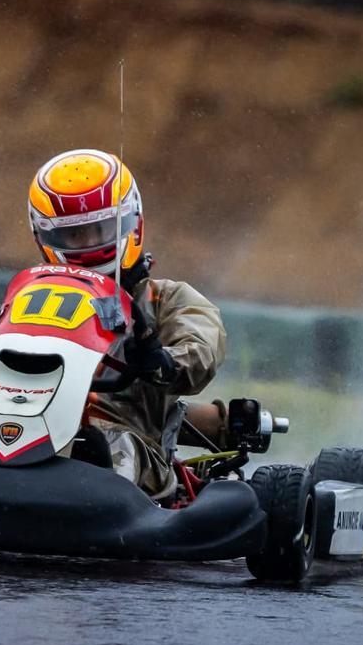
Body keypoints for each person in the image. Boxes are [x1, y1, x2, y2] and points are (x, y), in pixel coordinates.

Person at [27, 148, 227, 499]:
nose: (89, 244)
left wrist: (161, 361)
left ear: (130, 224)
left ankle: (86, 487)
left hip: (130, 447)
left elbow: (201, 350)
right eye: (75, 236)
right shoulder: (33, 297)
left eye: (100, 230)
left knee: (102, 444)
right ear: (46, 237)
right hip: (34, 427)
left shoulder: (168, 300)